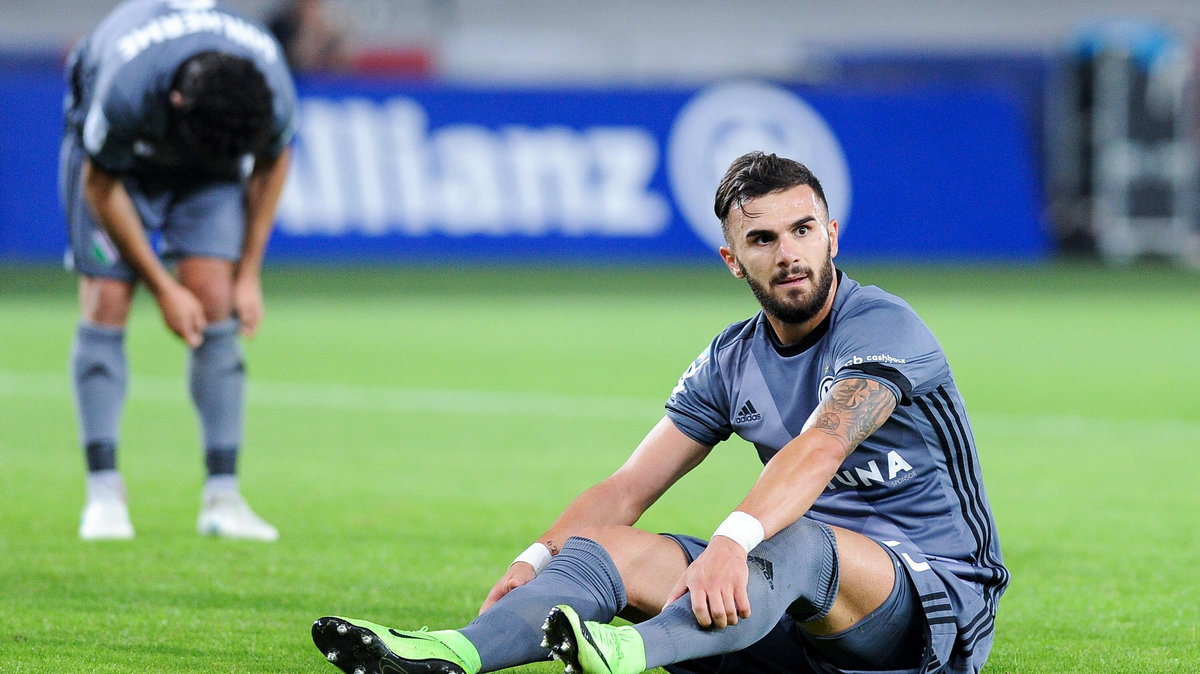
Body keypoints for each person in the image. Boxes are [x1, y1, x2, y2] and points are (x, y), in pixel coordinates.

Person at [311, 152, 1009, 673]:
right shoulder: (729, 360)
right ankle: (453, 651)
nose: (789, 253)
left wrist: (732, 542)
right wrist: (537, 558)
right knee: (600, 549)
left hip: (930, 610)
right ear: (734, 261)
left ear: (832, 234)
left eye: (801, 230)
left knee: (791, 541)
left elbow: (824, 444)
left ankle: (625, 653)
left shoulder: (883, 327)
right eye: (763, 240)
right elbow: (626, 488)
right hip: (795, 611)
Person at [62, 0, 297, 541]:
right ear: (175, 101)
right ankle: (104, 494)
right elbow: (101, 185)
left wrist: (249, 273)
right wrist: (163, 287)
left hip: (207, 166)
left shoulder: (270, 87)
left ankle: (223, 498)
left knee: (216, 301)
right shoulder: (125, 88)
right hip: (119, 165)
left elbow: (273, 160)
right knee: (107, 297)